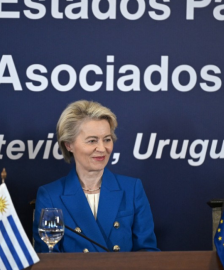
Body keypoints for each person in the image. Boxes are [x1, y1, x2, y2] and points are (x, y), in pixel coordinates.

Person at [33, 100, 159, 253]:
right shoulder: (50, 196)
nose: (102, 148)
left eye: (107, 139)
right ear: (69, 145)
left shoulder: (132, 189)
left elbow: (148, 254)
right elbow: (49, 260)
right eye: (92, 141)